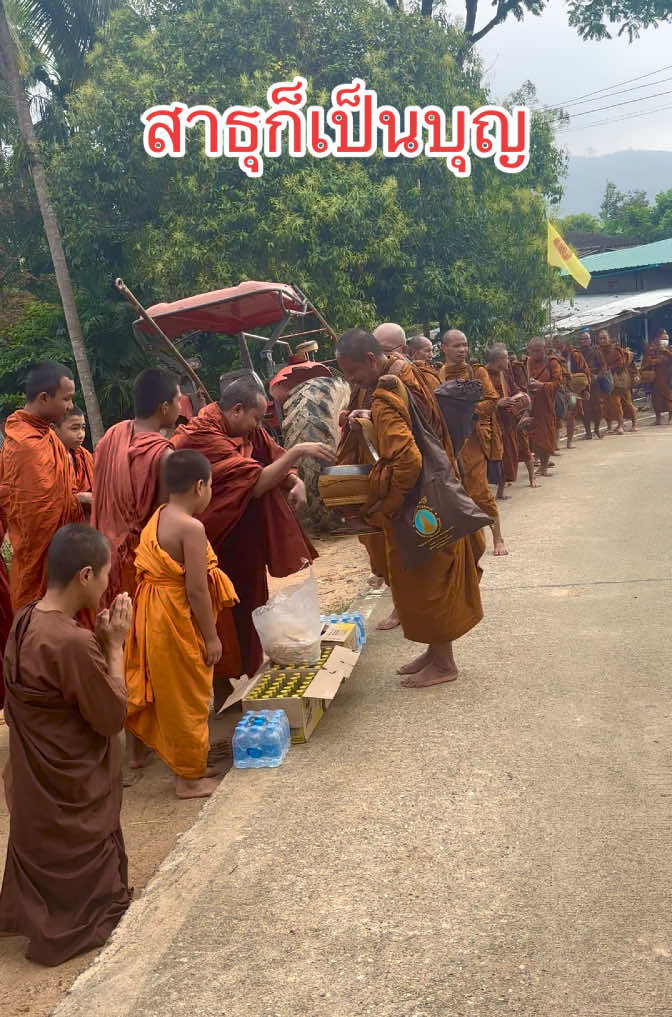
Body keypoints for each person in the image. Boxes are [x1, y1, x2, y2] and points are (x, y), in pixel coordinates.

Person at [0, 525, 132, 966]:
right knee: (116, 740)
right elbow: (111, 716)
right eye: (106, 576)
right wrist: (114, 649)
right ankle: (72, 911)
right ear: (85, 575)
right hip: (71, 796)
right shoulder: (72, 642)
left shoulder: (25, 619)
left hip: (34, 793)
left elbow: (54, 693)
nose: (108, 585)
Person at [172, 370, 335, 703]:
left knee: (250, 605)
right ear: (236, 411)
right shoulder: (204, 437)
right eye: (256, 418)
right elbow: (256, 481)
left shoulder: (245, 427)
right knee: (219, 616)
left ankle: (246, 677)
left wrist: (293, 479)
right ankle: (218, 689)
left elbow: (269, 454)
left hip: (243, 538)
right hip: (212, 541)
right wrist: (298, 452)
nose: (258, 425)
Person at [336, 328, 485, 688]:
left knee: (428, 580)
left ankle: (445, 663)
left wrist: (385, 505)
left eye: (353, 373)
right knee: (423, 577)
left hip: (417, 502)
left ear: (371, 360)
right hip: (431, 493)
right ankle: (434, 653)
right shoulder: (407, 373)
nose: (352, 381)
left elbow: (406, 461)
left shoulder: (385, 394)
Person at [124, 451, 237, 799]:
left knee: (172, 694)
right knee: (187, 696)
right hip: (174, 618)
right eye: (211, 487)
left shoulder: (158, 517)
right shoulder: (192, 528)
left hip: (152, 616)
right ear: (200, 485)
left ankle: (190, 765)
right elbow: (197, 589)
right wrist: (212, 636)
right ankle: (188, 780)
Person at [92, 368, 181, 607]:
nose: (181, 407)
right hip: (139, 564)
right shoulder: (163, 455)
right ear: (164, 407)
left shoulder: (112, 435)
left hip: (103, 554)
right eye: (178, 400)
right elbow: (162, 522)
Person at [0, 361, 84, 611]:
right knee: (40, 624)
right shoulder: (25, 444)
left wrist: (79, 501)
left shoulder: (49, 436)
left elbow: (63, 494)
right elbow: (35, 518)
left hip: (64, 550)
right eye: (67, 399)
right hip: (40, 560)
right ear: (45, 397)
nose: (70, 406)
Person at [439, 329, 508, 556]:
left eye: (465, 345)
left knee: (480, 491)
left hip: (472, 441)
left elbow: (492, 400)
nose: (462, 350)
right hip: (448, 442)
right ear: (444, 348)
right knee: (455, 493)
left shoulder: (476, 372)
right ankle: (465, 543)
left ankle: (498, 538)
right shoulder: (437, 375)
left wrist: (467, 411)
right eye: (457, 346)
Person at [485, 344, 537, 493]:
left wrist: (520, 397)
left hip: (512, 419)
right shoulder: (483, 374)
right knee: (500, 455)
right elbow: (479, 399)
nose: (508, 361)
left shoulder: (505, 373)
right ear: (499, 359)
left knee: (520, 448)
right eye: (506, 358)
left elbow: (514, 388)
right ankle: (499, 491)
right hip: (493, 421)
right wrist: (497, 403)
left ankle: (532, 477)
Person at [527, 337, 563, 476]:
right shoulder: (529, 362)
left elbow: (558, 383)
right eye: (532, 351)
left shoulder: (552, 362)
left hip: (547, 404)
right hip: (533, 403)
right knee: (534, 436)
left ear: (545, 350)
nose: (535, 354)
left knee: (546, 435)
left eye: (538, 350)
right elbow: (527, 379)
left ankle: (544, 466)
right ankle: (540, 463)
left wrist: (542, 386)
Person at [54, 406, 94, 516]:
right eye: (74, 428)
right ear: (54, 429)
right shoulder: (48, 459)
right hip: (61, 527)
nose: (81, 435)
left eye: (83, 428)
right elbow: (46, 502)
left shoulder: (84, 456)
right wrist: (81, 497)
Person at [560, 337, 591, 447]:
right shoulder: (555, 357)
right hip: (560, 391)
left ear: (565, 344)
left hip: (573, 391)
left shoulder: (575, 355)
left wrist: (586, 389)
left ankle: (569, 441)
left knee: (571, 414)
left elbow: (585, 371)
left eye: (560, 345)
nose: (559, 348)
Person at [578, 332, 607, 439]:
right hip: (582, 384)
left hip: (595, 384)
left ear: (590, 340)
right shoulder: (577, 354)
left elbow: (603, 366)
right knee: (584, 409)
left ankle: (597, 429)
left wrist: (597, 376)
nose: (584, 341)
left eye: (586, 339)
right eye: (582, 339)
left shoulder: (596, 351)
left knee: (598, 408)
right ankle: (588, 432)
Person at [640, 328, 672, 425]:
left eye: (667, 339)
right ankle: (658, 419)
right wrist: (655, 361)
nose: (665, 341)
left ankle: (671, 418)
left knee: (669, 398)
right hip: (655, 378)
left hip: (668, 378)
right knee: (656, 399)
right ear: (657, 339)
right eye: (663, 339)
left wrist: (666, 352)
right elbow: (646, 361)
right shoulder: (651, 349)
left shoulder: (669, 349)